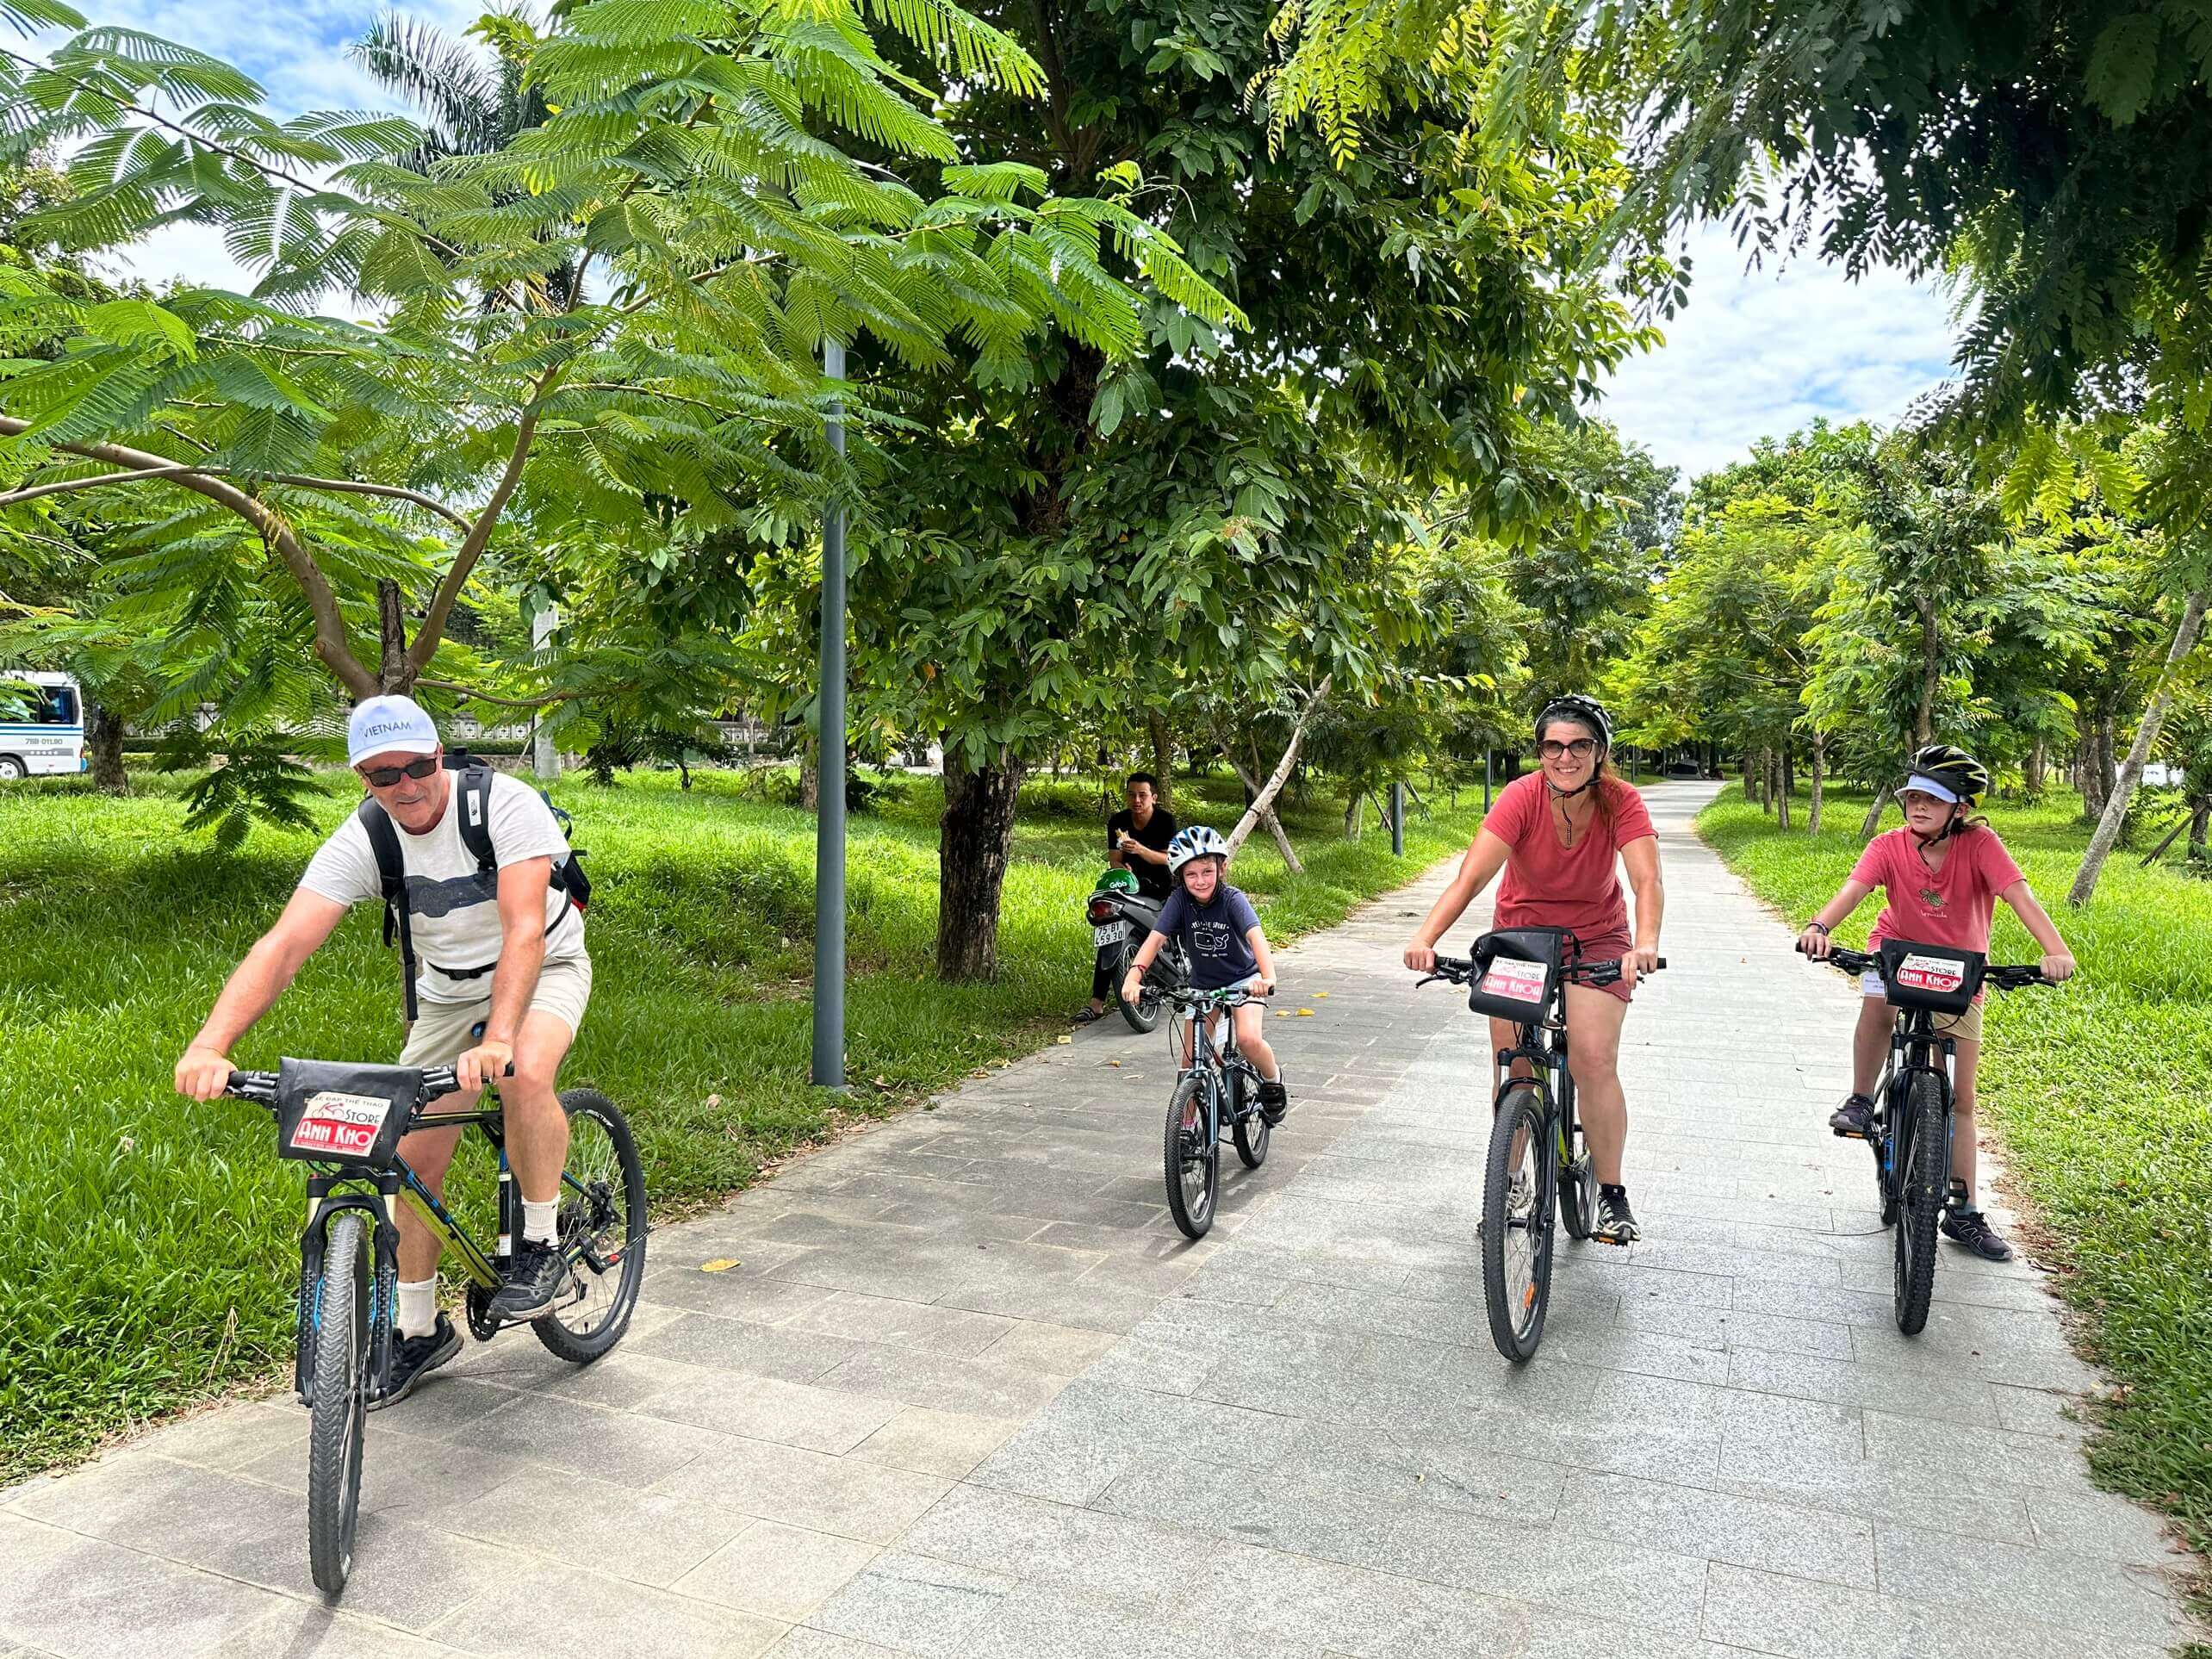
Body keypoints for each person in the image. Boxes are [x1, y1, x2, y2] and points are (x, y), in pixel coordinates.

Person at [173, 694, 592, 1403]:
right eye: (382, 775)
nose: (406, 786)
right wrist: (210, 1044)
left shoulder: (505, 805)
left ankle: (542, 1242)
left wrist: (497, 1038)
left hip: (545, 966)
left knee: (522, 1071)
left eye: (418, 766)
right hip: (448, 994)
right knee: (411, 1156)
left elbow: (525, 929)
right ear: (362, 779)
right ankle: (419, 1330)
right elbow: (282, 947)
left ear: (440, 756)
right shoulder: (368, 837)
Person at [1797, 744, 2077, 1262]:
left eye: (1934, 799)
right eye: (1913, 797)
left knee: (1961, 1100)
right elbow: (1852, 892)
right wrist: (1820, 926)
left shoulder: (1981, 845)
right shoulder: (1887, 846)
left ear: (1960, 809)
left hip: (1958, 971)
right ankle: (1861, 1098)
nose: (1919, 807)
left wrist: (2054, 950)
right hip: (1895, 952)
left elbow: (2020, 897)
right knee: (1878, 1006)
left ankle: (1964, 1213)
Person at [1401, 694, 1663, 1244]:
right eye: (1552, 746)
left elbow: (1645, 881)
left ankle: (1612, 1192)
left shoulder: (1622, 802)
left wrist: (1645, 944)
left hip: (1598, 939)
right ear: (1541, 751)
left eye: (1578, 746)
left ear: (1599, 752)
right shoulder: (1520, 797)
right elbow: (1470, 878)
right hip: (1521, 938)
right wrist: (1425, 938)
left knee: (1592, 1058)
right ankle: (1512, 1180)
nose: (1564, 757)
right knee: (1517, 1064)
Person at [1121, 825, 1288, 1122]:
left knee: (1248, 1040)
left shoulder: (1232, 899)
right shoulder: (1179, 901)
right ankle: (1184, 1131)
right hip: (1203, 985)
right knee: (1189, 1063)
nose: (1200, 881)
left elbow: (1256, 937)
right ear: (1180, 877)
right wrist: (1134, 975)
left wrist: (1267, 977)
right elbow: (1155, 939)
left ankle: (1273, 1079)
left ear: (1221, 869)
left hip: (1245, 980)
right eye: (1191, 874)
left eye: (1207, 871)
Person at [1078, 772, 1178, 1024]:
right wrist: (1123, 869)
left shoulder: (1166, 821)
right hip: (1129, 887)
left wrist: (1141, 850)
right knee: (1110, 930)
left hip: (1162, 886)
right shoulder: (1118, 822)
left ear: (1153, 797)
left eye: (1142, 795)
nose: (1136, 800)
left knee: (1177, 924)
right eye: (1131, 794)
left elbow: (1170, 858)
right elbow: (1115, 858)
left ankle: (1184, 978)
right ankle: (1096, 1003)